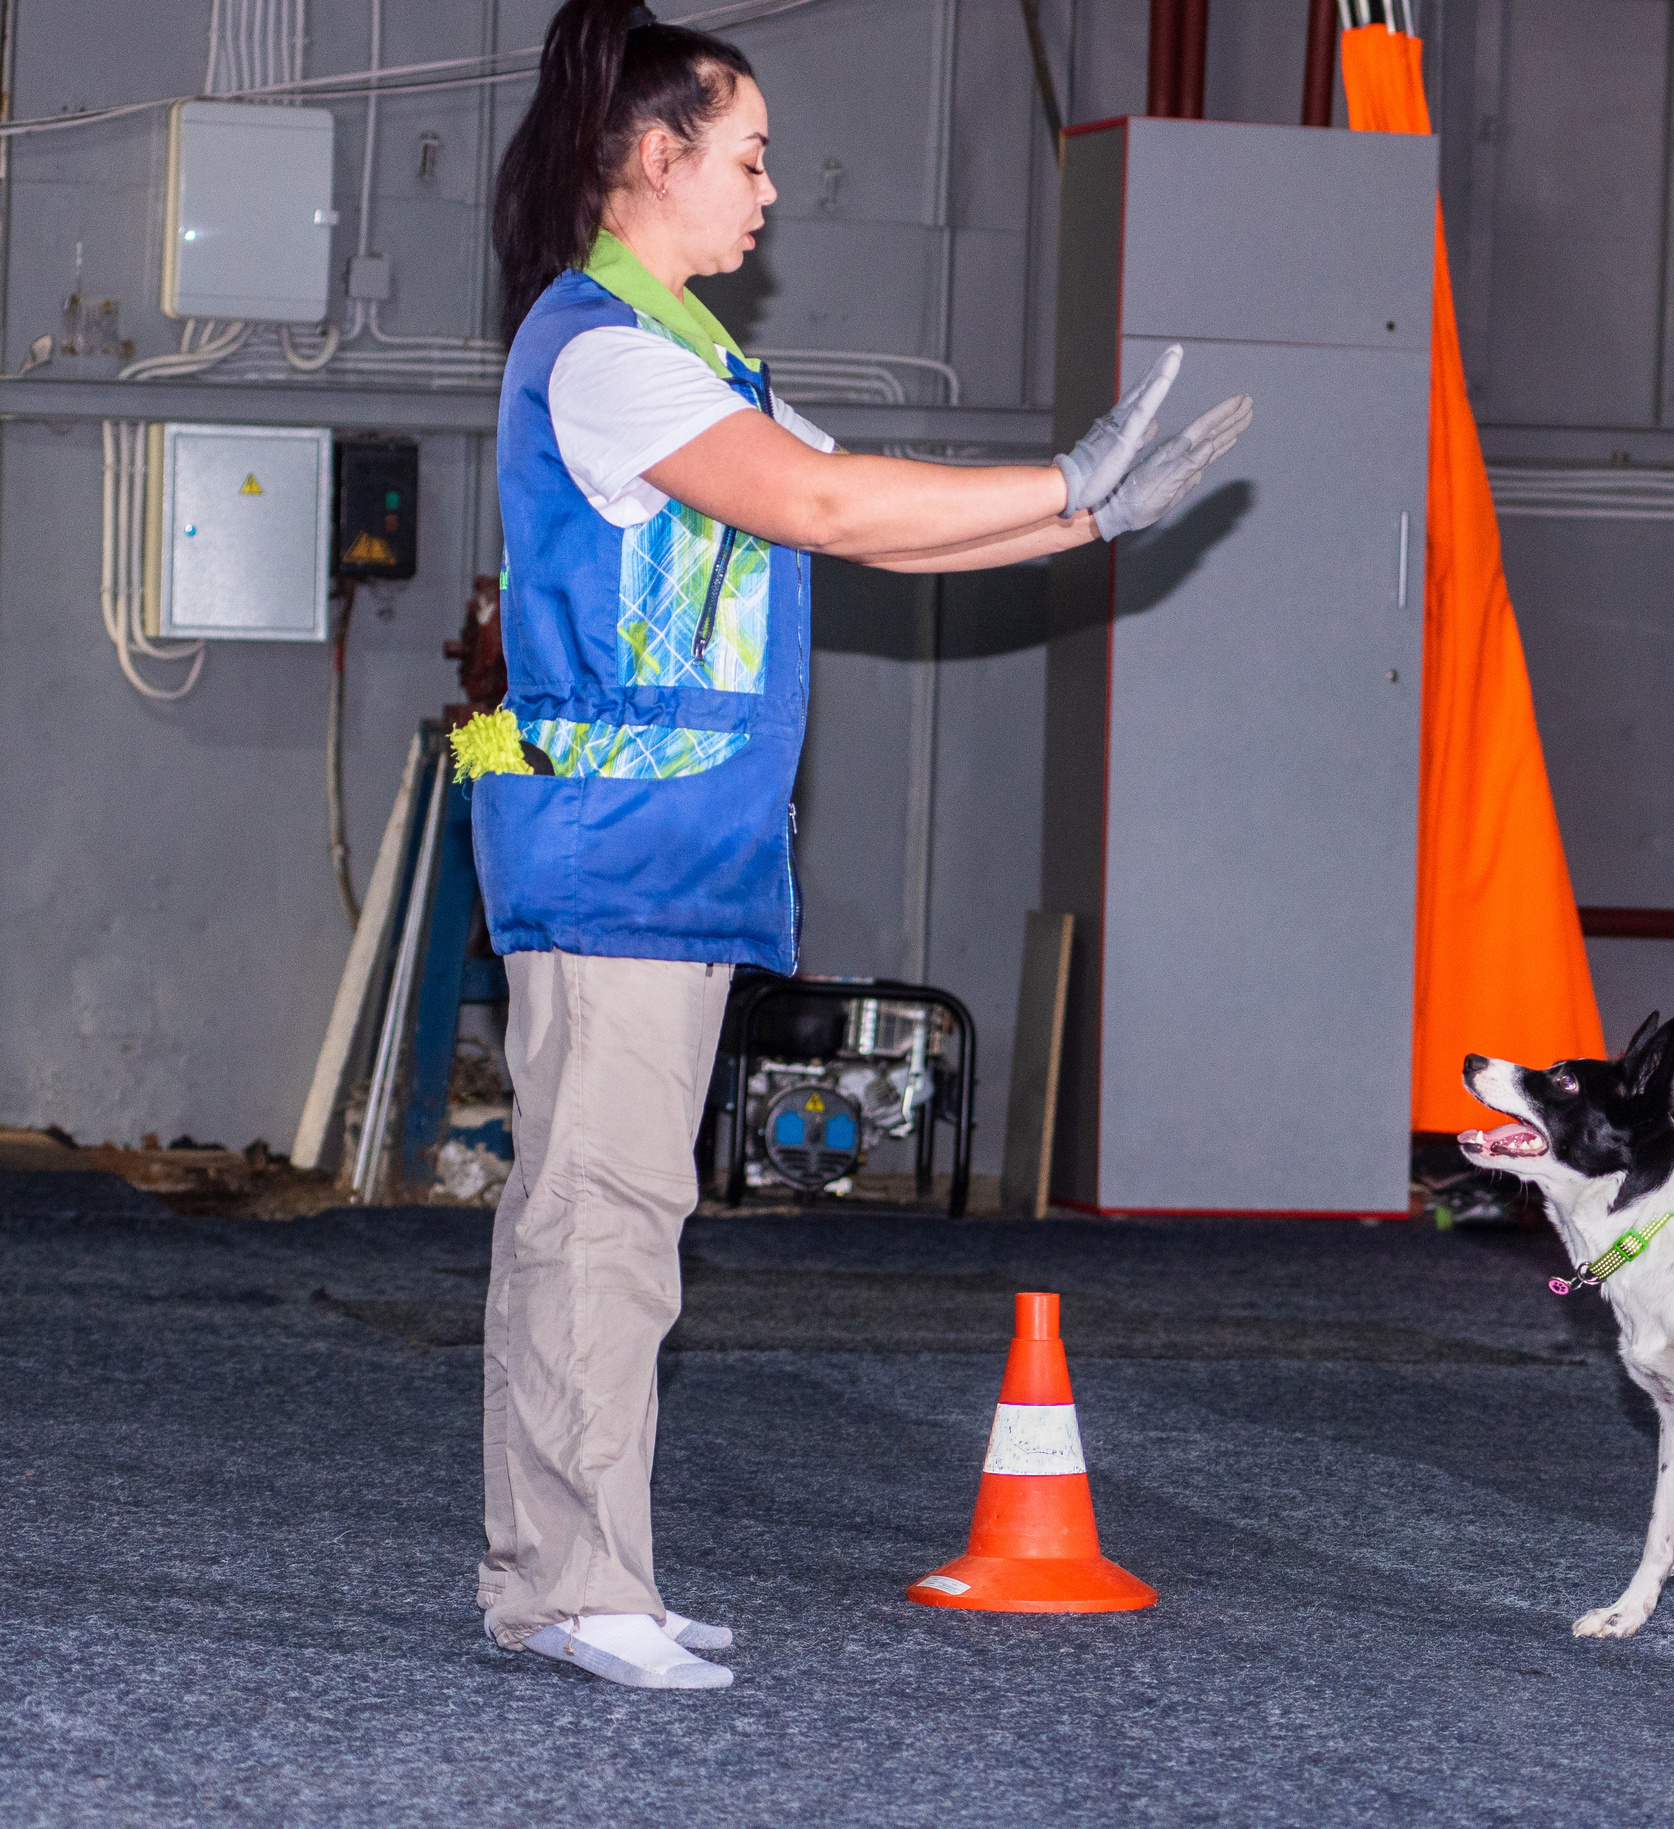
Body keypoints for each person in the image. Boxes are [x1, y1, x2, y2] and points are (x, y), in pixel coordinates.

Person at [466, 0, 1249, 1691]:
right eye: (745, 159)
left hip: (667, 863)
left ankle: (596, 1567)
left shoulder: (691, 361)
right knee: (591, 1224)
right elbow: (828, 508)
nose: (768, 193)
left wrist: (1081, 515)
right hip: (610, 858)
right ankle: (567, 1581)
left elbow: (880, 533)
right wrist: (1068, 478)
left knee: (624, 1222)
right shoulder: (602, 354)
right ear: (654, 159)